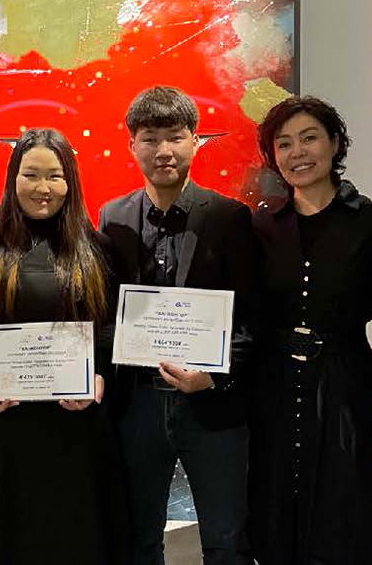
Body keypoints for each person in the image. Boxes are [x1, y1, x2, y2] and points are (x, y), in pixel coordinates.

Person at [0, 128, 130, 565]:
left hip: (75, 428)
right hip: (4, 428)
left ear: (71, 182)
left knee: (74, 539)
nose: (43, 188)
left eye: (55, 176)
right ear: (14, 179)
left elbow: (109, 332)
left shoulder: (98, 250)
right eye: (31, 175)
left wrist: (100, 379)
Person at [99, 86, 258, 565]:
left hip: (211, 402)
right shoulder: (113, 217)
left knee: (226, 539)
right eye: (150, 138)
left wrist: (215, 374)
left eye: (175, 137)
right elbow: (107, 314)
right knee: (138, 536)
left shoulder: (230, 218)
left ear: (195, 141)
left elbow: (251, 318)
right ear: (132, 146)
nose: (163, 151)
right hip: (138, 405)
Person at [247, 96, 372, 565]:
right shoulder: (262, 225)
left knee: (344, 521)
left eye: (309, 138)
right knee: (277, 520)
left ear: (335, 143)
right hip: (275, 390)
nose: (297, 153)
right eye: (283, 144)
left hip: (347, 387)